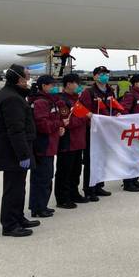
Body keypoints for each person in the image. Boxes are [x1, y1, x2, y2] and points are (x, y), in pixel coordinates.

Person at [0, 64, 40, 237]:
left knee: (19, 187)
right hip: (13, 153)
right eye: (27, 76)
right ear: (19, 79)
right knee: (13, 189)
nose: (29, 78)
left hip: (15, 151)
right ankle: (10, 225)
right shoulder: (12, 99)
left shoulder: (14, 95)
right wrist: (23, 155)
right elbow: (15, 130)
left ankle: (18, 217)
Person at [29, 75, 66, 218]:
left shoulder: (50, 101)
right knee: (42, 177)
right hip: (43, 145)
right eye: (52, 85)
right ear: (44, 86)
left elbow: (53, 120)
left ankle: (41, 205)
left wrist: (59, 126)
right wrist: (58, 125)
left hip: (49, 144)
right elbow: (43, 125)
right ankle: (38, 208)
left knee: (46, 176)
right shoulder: (41, 102)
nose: (54, 88)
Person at [79, 66, 116, 201]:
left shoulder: (110, 91)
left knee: (102, 159)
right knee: (91, 161)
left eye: (106, 73)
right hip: (92, 132)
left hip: (106, 132)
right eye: (101, 74)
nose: (104, 76)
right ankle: (89, 189)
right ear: (94, 76)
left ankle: (99, 185)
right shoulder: (88, 92)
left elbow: (113, 107)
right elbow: (82, 110)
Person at [55, 74, 89, 208]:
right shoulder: (62, 101)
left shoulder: (76, 100)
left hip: (78, 142)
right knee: (64, 171)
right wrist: (83, 118)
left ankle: (74, 193)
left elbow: (85, 114)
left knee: (76, 171)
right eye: (76, 83)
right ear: (68, 84)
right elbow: (67, 122)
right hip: (68, 143)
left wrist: (84, 117)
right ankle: (62, 198)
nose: (78, 86)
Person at [119, 74, 139, 190]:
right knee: (131, 157)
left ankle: (135, 179)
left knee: (138, 156)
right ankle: (128, 182)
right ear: (136, 83)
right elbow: (124, 110)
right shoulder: (130, 95)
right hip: (133, 131)